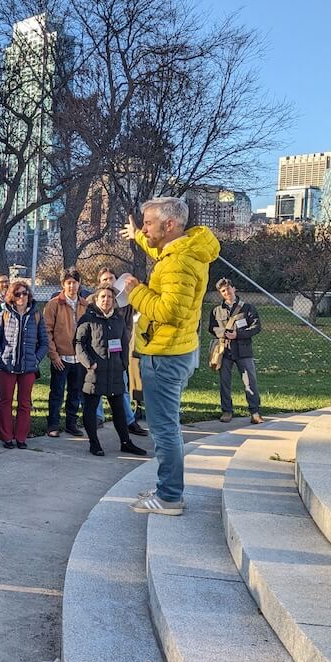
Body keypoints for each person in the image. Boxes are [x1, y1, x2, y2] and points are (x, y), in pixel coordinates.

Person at [121, 198, 220, 515]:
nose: (145, 227)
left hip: (164, 355)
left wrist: (136, 291)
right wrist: (138, 235)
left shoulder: (177, 262)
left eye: (148, 223)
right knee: (166, 426)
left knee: (164, 429)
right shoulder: (184, 251)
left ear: (169, 225)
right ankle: (168, 486)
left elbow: (170, 311)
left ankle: (169, 497)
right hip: (178, 349)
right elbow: (159, 252)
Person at [75, 286, 147, 457]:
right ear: (96, 299)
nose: (106, 299)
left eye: (109, 297)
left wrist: (123, 364)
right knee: (90, 409)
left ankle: (126, 442)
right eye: (103, 296)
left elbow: (124, 343)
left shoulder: (118, 320)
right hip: (94, 373)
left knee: (119, 410)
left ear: (113, 300)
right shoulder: (87, 319)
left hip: (115, 372)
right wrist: (89, 364)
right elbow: (79, 343)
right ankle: (94, 443)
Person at [0, 280, 48, 450]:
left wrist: (36, 359)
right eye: (18, 293)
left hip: (28, 368)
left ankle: (21, 436)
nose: (22, 296)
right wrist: (1, 355)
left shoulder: (36, 315)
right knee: (5, 401)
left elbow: (44, 343)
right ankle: (7, 436)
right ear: (12, 295)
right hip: (7, 366)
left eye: (25, 293)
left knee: (24, 403)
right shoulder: (5, 314)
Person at [95, 268, 148, 437]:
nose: (108, 281)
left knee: (122, 387)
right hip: (99, 351)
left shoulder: (125, 303)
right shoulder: (93, 301)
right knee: (95, 386)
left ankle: (129, 420)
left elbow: (128, 328)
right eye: (104, 279)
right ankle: (97, 417)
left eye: (111, 278)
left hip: (118, 352)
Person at [210, 279, 263, 424]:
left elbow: (256, 327)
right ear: (220, 293)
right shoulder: (216, 310)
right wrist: (223, 333)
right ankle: (227, 411)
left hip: (243, 350)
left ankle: (255, 412)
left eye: (228, 289)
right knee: (224, 382)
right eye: (223, 291)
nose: (226, 292)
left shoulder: (247, 308)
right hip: (224, 351)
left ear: (234, 288)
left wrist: (238, 334)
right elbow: (211, 328)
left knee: (249, 382)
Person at [44, 267, 88, 438]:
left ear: (79, 284)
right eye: (68, 283)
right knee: (57, 392)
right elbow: (47, 331)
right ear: (63, 284)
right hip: (61, 358)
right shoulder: (54, 304)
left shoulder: (85, 305)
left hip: (79, 358)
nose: (72, 286)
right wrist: (53, 355)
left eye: (74, 283)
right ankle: (53, 424)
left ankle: (71, 423)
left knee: (75, 392)